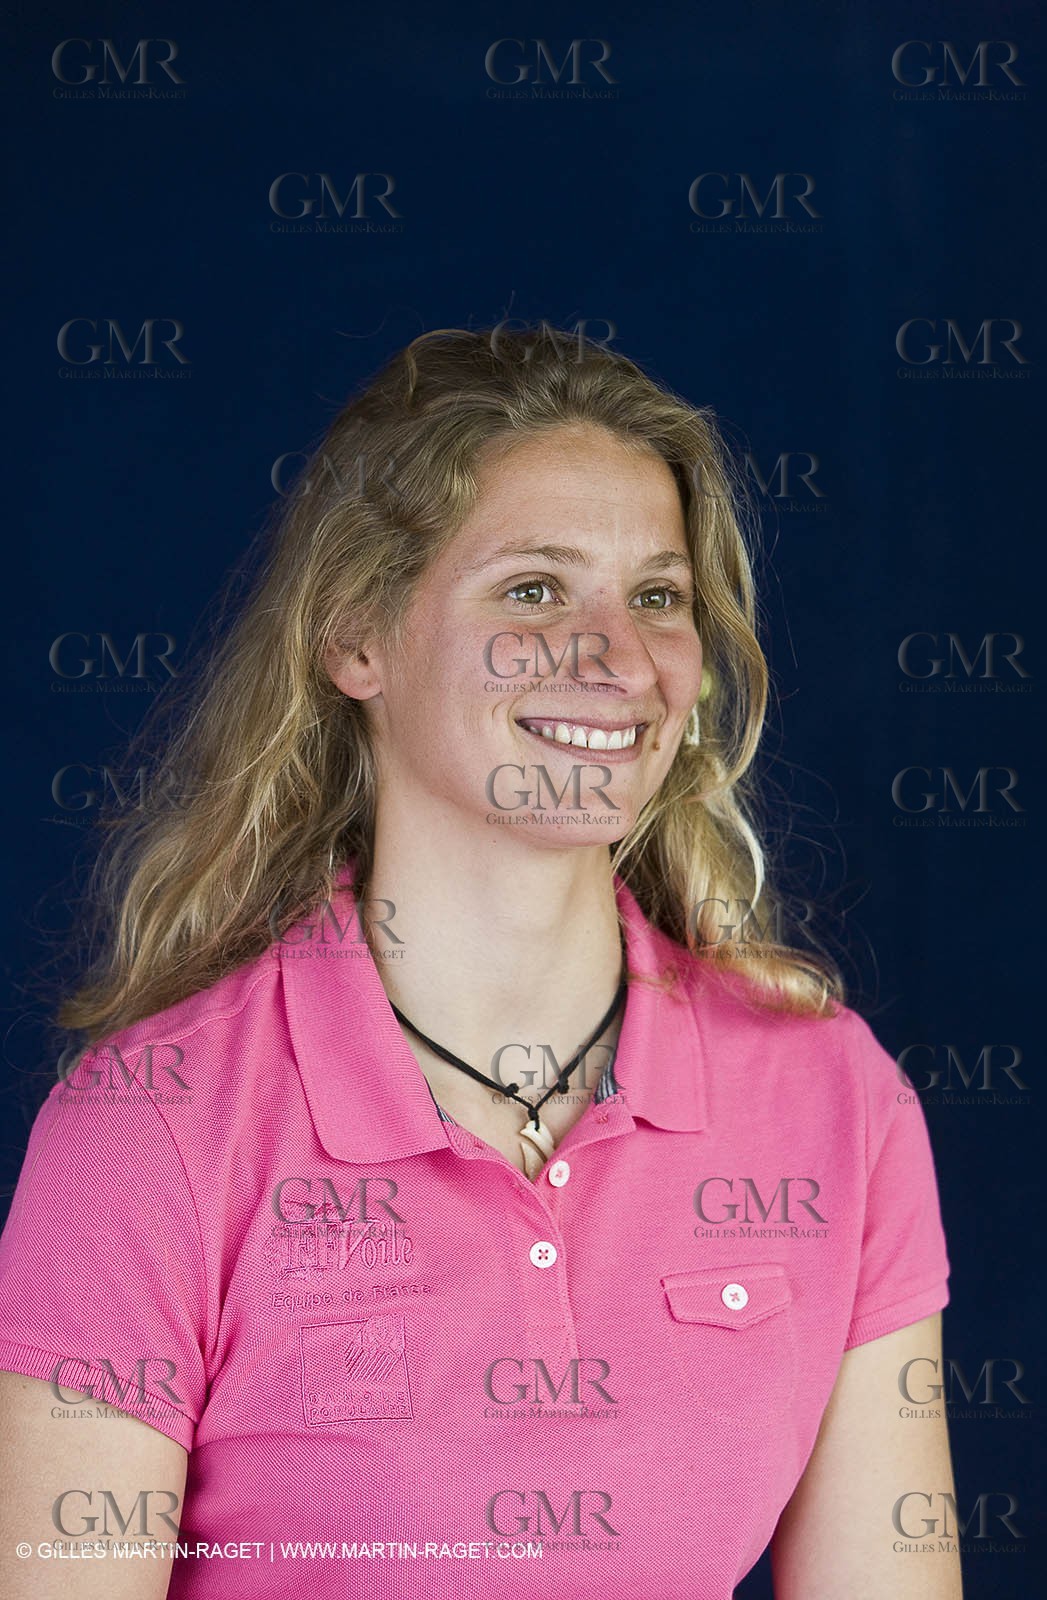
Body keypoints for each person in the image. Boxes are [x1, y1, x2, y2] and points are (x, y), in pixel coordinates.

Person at [0, 325, 960, 1599]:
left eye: (657, 596)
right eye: (532, 589)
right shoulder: (151, 1128)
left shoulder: (833, 1097)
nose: (615, 658)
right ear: (356, 636)